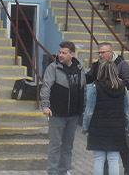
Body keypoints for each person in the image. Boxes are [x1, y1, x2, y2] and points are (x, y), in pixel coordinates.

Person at [86, 42, 129, 175]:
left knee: (115, 152)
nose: (100, 55)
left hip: (114, 114)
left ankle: (127, 170)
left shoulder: (122, 64)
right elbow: (88, 78)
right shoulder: (97, 65)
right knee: (109, 157)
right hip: (105, 116)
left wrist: (113, 83)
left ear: (110, 52)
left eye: (102, 52)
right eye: (99, 53)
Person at [41, 41, 86, 175]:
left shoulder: (79, 69)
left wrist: (82, 109)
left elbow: (83, 90)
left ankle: (64, 170)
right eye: (60, 52)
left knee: (68, 146)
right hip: (56, 114)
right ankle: (52, 171)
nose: (60, 55)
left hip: (73, 115)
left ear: (72, 54)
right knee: (54, 145)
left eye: (64, 53)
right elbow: (46, 88)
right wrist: (45, 106)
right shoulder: (52, 68)